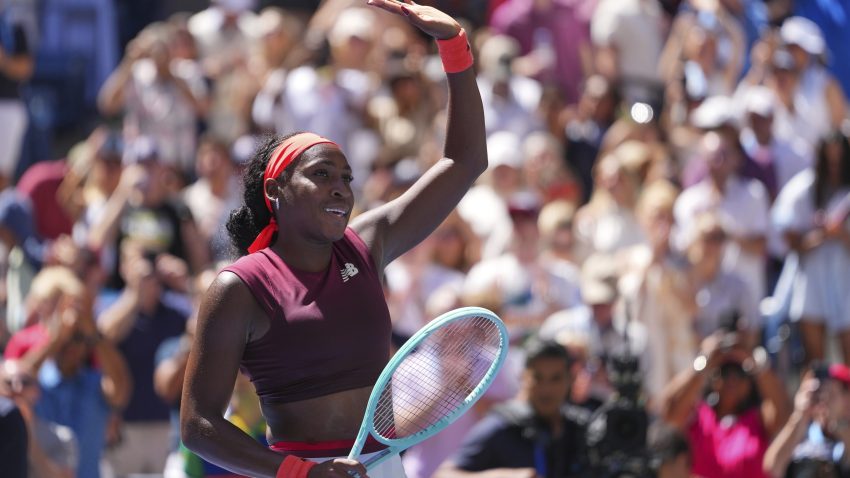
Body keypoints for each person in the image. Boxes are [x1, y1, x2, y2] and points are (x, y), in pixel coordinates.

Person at [179, 1, 487, 477]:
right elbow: (198, 426)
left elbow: (465, 161)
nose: (341, 186)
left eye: (345, 175)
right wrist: (302, 473)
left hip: (384, 467)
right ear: (276, 189)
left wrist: (454, 46)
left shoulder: (367, 243)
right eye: (321, 174)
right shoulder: (237, 288)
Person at [433, 339, 588, 478]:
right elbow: (443, 475)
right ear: (523, 377)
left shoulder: (581, 428)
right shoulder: (501, 427)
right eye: (537, 378)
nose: (546, 389)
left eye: (556, 378)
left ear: (569, 379)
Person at [660, 332, 790, 478]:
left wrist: (752, 358)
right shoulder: (698, 417)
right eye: (725, 372)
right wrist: (705, 360)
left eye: (741, 372)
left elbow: (785, 410)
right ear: (714, 377)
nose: (732, 379)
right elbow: (667, 410)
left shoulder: (758, 419)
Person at [764, 363, 850, 478]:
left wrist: (837, 423)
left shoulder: (845, 436)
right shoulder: (802, 431)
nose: (823, 397)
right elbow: (772, 468)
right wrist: (800, 415)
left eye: (832, 393)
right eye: (818, 390)